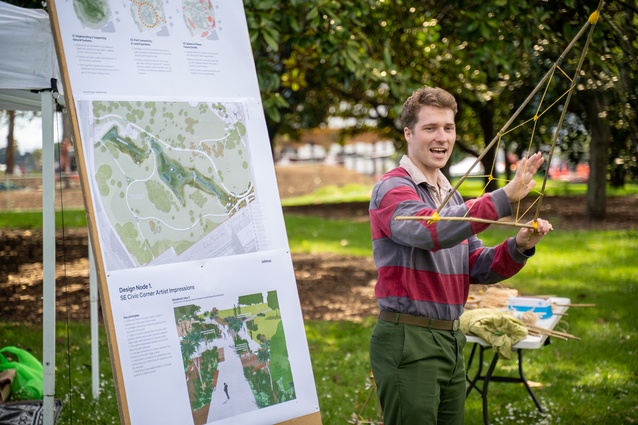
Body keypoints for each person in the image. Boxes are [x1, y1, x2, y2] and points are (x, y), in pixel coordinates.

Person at [368, 86, 553, 425]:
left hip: (450, 338)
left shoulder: (451, 197)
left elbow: (477, 266)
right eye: (430, 128)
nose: (442, 137)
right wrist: (502, 198)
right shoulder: (392, 189)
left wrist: (519, 246)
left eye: (448, 128)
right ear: (408, 133)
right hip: (409, 339)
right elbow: (428, 231)